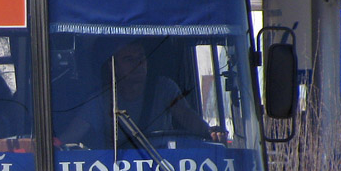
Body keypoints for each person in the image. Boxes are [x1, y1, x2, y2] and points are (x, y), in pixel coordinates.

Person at [58, 40, 220, 148]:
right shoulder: (101, 99)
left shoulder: (164, 89)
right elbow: (71, 136)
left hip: (164, 169)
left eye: (141, 57)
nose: (139, 64)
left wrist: (210, 132)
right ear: (111, 65)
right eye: (129, 59)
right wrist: (47, 145)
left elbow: (187, 116)